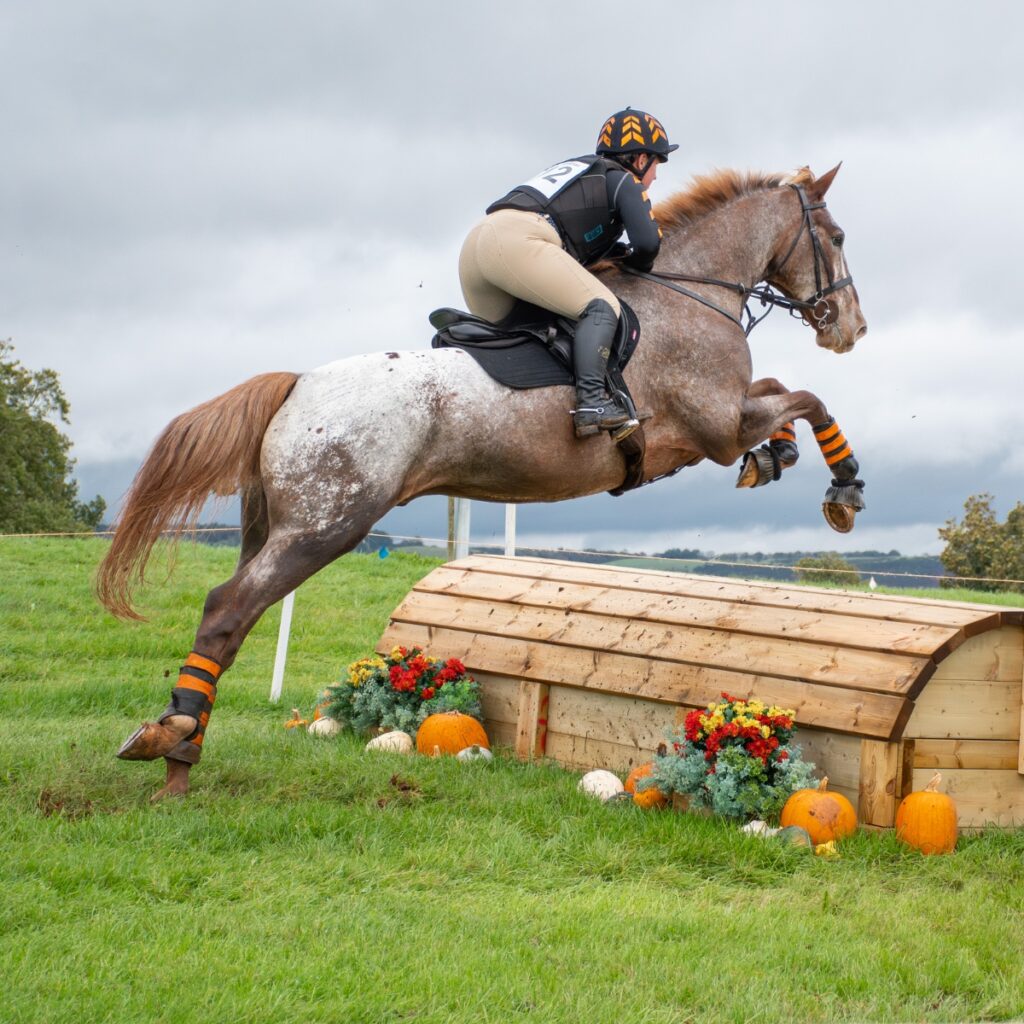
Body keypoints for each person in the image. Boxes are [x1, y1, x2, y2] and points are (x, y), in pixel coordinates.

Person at [458, 107, 677, 439]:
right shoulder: (622, 179)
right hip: (518, 240)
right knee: (602, 307)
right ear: (641, 158)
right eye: (657, 164)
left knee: (541, 335)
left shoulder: (581, 172)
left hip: (475, 250)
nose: (656, 176)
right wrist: (635, 263)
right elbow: (647, 245)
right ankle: (591, 403)